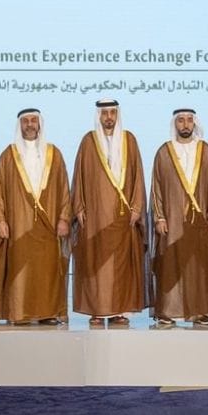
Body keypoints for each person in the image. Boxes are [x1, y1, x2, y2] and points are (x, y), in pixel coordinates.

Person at [0, 108, 72, 325]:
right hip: (18, 223)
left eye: (33, 120)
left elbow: (64, 188)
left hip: (49, 224)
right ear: (20, 125)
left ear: (40, 124)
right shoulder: (8, 155)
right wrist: (0, 220)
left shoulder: (54, 154)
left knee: (47, 270)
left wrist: (64, 218)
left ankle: (48, 313)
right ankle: (19, 313)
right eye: (25, 121)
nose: (29, 125)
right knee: (20, 270)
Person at [71, 99, 147, 327]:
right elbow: (79, 176)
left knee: (120, 266)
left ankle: (118, 311)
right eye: (104, 113)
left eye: (112, 113)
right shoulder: (88, 141)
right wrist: (79, 207)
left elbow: (138, 174)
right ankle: (97, 310)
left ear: (117, 115)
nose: (109, 118)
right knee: (96, 263)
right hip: (95, 215)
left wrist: (137, 206)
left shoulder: (129, 140)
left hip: (123, 216)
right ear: (98, 116)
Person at [149, 109, 208, 326]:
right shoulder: (164, 152)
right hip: (172, 222)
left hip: (200, 223)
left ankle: (201, 311)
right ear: (175, 124)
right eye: (181, 120)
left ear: (194, 123)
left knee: (199, 267)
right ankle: (169, 312)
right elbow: (156, 188)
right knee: (171, 265)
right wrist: (159, 217)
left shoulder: (206, 151)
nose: (185, 124)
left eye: (189, 120)